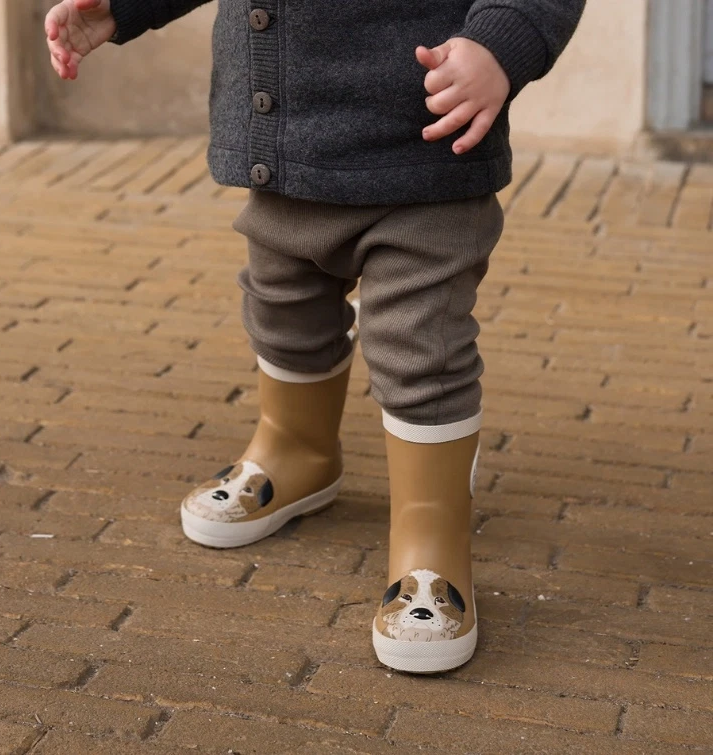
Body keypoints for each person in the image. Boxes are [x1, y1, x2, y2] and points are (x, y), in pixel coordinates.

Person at [45, 0, 585, 673]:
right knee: (283, 309)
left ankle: (430, 532)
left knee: (420, 348)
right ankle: (295, 450)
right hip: (286, 144)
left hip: (424, 158)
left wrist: (501, 46)